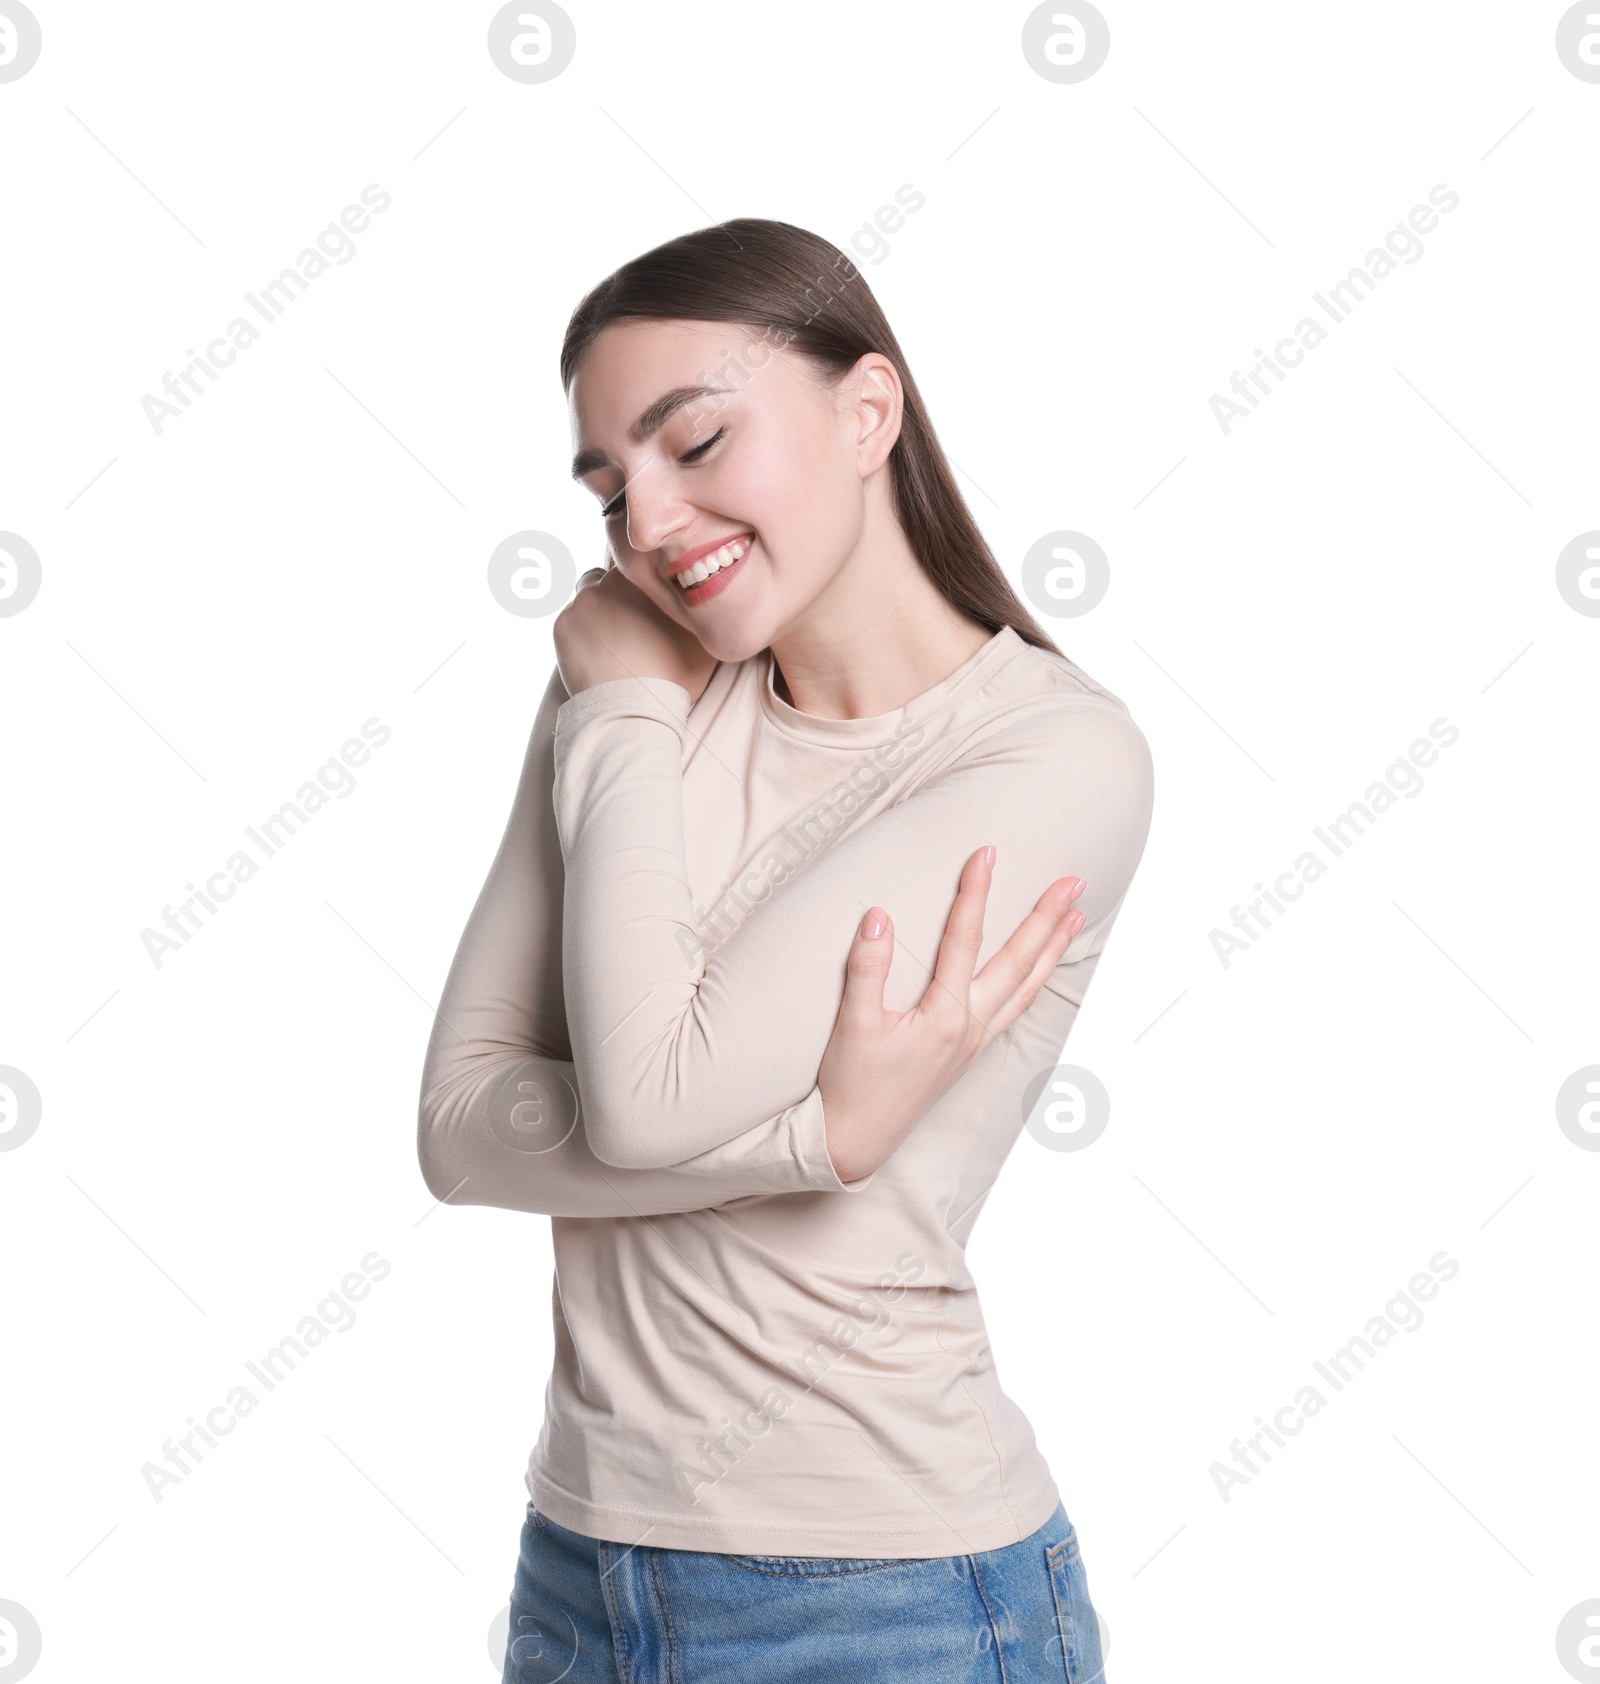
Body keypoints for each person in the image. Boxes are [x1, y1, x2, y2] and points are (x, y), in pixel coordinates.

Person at [417, 218, 1154, 1683]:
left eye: (693, 441)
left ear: (867, 410)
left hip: (881, 1596)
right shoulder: (624, 687)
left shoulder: (1051, 754)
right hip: (579, 1565)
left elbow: (642, 1092)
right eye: (608, 485)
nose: (646, 520)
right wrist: (823, 1135)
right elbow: (455, 1132)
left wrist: (620, 721)